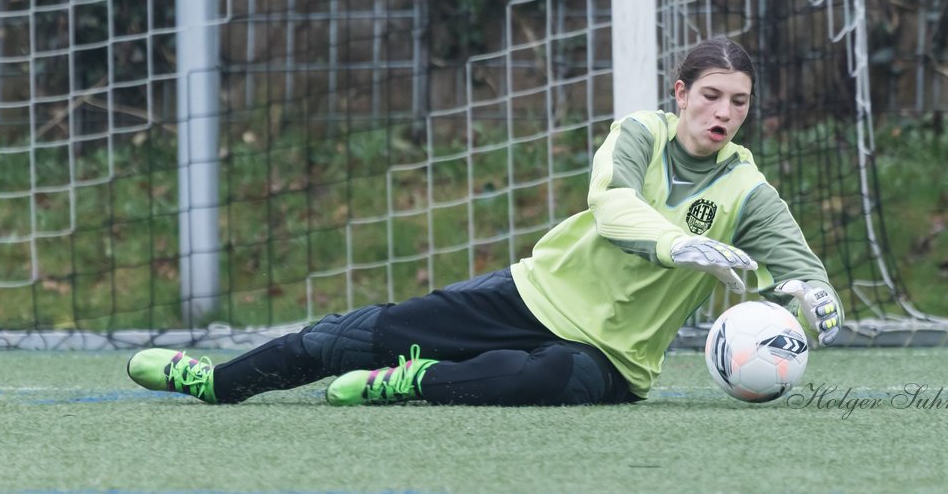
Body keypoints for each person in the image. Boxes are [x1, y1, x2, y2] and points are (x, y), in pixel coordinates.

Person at [127, 36, 843, 407]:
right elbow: (612, 206)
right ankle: (216, 383)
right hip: (531, 294)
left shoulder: (749, 190)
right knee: (354, 335)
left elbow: (804, 280)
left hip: (613, 360)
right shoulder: (639, 134)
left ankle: (412, 383)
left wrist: (811, 309)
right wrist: (675, 242)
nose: (722, 113)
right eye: (711, 95)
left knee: (545, 374)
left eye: (739, 102)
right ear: (680, 92)